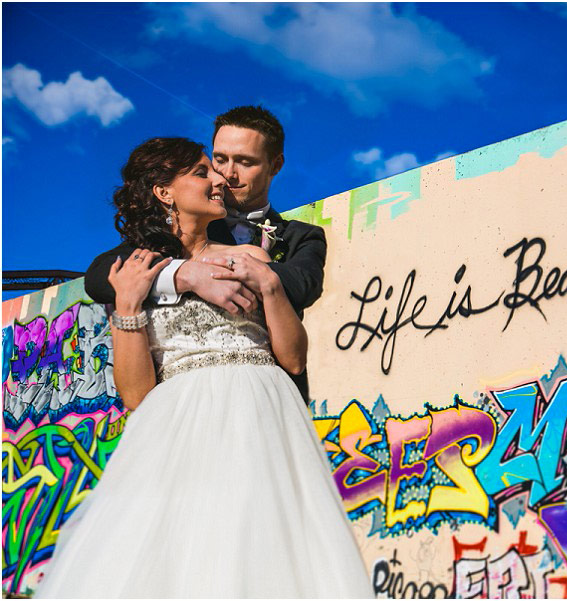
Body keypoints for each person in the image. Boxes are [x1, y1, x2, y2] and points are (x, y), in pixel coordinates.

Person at [35, 138, 373, 598]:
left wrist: (271, 287)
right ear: (163, 192)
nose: (218, 179)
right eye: (201, 171)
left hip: (257, 409)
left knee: (258, 542)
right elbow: (135, 397)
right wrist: (130, 304)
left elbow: (293, 357)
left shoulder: (252, 257)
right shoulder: (134, 273)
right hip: (174, 423)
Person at [84, 105, 322, 402]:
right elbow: (99, 275)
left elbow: (301, 285)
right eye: (219, 160)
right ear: (164, 193)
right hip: (177, 410)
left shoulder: (296, 238)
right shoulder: (146, 262)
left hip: (262, 399)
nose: (225, 175)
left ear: (275, 165)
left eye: (245, 162)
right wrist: (185, 273)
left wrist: (264, 278)